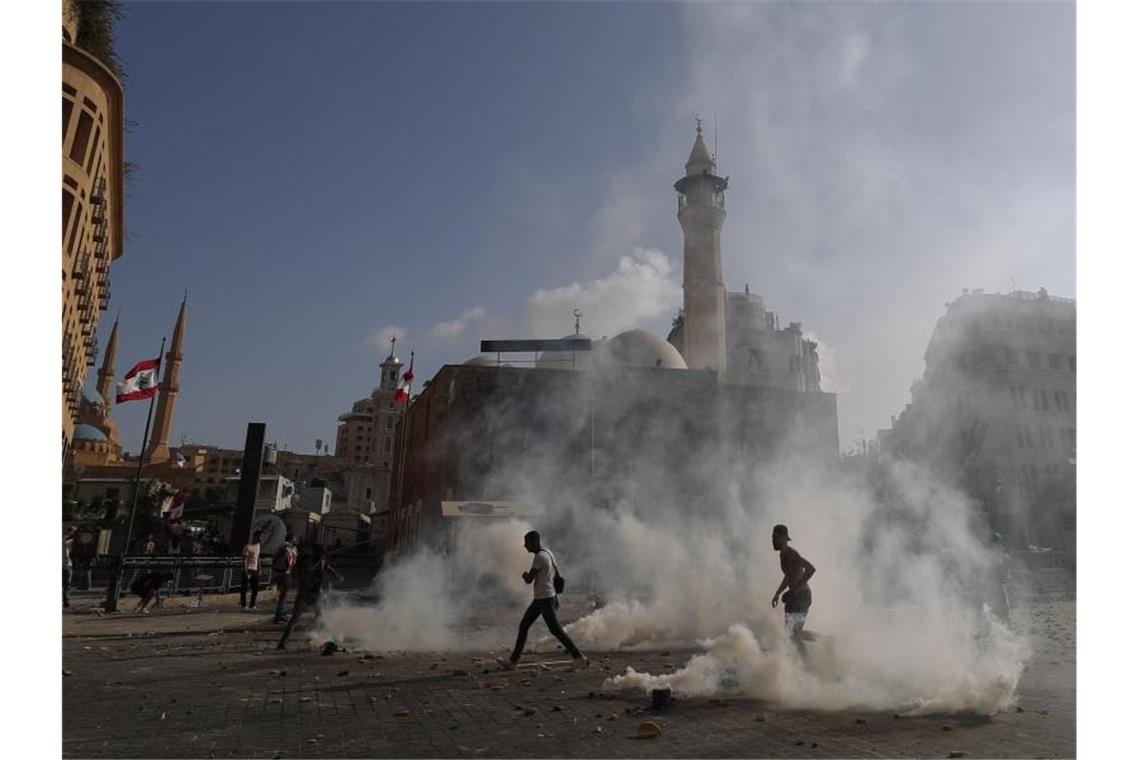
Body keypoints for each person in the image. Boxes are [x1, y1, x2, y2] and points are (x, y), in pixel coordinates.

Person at [501, 530, 586, 670]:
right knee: (525, 626)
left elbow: (529, 580)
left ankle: (579, 656)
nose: (525, 546)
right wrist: (555, 596)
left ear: (535, 542)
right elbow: (556, 575)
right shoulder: (548, 553)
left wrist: (524, 575)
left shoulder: (539, 557)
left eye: (527, 542)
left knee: (555, 630)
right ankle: (513, 661)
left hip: (544, 599)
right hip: (544, 597)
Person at [277, 541, 342, 649]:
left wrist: (336, 575)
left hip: (312, 592)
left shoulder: (319, 561)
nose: (322, 555)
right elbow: (300, 575)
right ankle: (284, 642)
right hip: (307, 592)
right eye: (321, 553)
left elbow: (328, 568)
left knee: (318, 616)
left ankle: (320, 639)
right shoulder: (309, 562)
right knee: (300, 618)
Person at [770, 524, 816, 657]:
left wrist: (795, 588)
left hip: (802, 596)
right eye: (773, 537)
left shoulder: (791, 554)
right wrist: (777, 593)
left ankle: (807, 663)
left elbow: (811, 569)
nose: (773, 541)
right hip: (794, 597)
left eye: (777, 538)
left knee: (793, 636)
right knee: (791, 635)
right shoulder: (782, 555)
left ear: (785, 538)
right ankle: (797, 663)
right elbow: (788, 576)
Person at [271, 533, 299, 623]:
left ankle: (280, 614)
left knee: (283, 596)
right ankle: (278, 617)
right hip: (285, 573)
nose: (295, 541)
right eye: (294, 539)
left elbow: (274, 558)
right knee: (283, 596)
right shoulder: (291, 548)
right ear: (291, 539)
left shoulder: (282, 547)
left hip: (280, 572)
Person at [239, 530, 263, 610]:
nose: (260, 539)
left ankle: (252, 605)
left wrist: (260, 568)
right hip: (248, 568)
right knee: (244, 588)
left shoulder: (258, 546)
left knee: (255, 588)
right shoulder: (248, 547)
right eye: (259, 538)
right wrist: (246, 571)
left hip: (255, 569)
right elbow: (244, 560)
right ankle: (243, 604)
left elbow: (258, 557)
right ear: (254, 537)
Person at [63, 527, 77, 608]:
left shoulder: (71, 541)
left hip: (67, 565)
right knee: (66, 584)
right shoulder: (67, 541)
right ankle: (66, 600)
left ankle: (66, 601)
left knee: (67, 584)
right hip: (66, 565)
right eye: (74, 532)